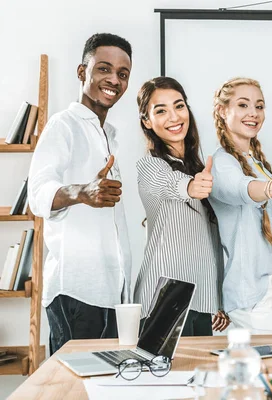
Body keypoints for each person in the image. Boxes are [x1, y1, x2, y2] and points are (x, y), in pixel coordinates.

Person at [28, 33, 133, 354]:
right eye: (104, 69)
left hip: (112, 294)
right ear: (81, 71)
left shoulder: (109, 135)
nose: (114, 79)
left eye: (123, 74)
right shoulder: (64, 125)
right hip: (76, 293)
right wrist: (82, 191)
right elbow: (38, 192)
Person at [134, 76, 230, 336]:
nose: (174, 117)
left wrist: (218, 299)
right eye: (160, 110)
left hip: (200, 302)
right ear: (147, 121)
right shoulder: (150, 166)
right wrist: (191, 187)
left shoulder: (200, 170)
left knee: (197, 377)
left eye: (179, 106)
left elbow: (211, 243)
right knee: (163, 377)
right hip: (164, 300)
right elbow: (171, 183)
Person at [209, 77, 272, 334]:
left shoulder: (258, 162)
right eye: (243, 105)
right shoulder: (222, 163)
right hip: (252, 293)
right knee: (269, 367)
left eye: (259, 106)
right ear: (222, 110)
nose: (253, 113)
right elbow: (241, 188)